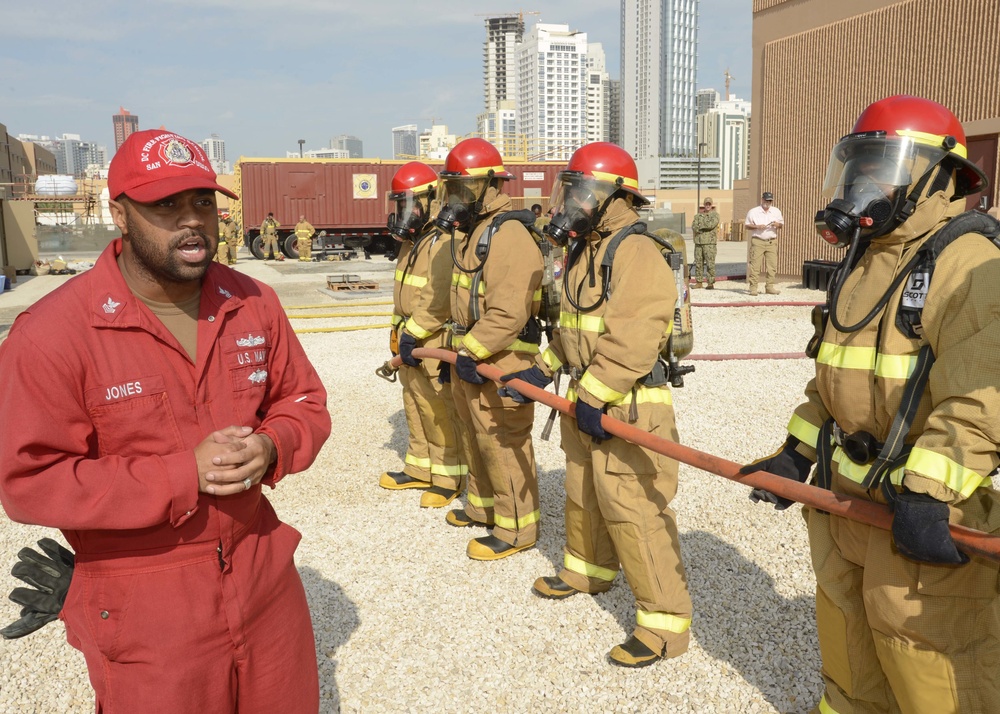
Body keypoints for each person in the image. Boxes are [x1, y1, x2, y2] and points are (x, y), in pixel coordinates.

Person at [0, 128, 332, 713]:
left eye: (202, 201)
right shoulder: (54, 334)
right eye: (166, 205)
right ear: (119, 213)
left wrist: (273, 445)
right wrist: (182, 475)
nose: (193, 220)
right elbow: (29, 482)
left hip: (263, 581)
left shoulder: (253, 302)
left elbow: (303, 402)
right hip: (145, 606)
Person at [742, 95, 1000, 713]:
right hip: (843, 503)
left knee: (926, 650)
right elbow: (833, 379)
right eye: (858, 165)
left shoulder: (971, 263)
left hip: (914, 511)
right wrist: (795, 453)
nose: (862, 182)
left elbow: (980, 398)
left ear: (937, 177)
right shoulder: (862, 262)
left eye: (882, 165)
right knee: (846, 637)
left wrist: (931, 495)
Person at [502, 142, 693, 668]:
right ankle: (589, 569)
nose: (572, 202)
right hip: (588, 399)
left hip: (628, 404)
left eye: (583, 192)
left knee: (634, 511)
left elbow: (634, 337)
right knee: (584, 492)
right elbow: (575, 327)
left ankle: (663, 626)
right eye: (572, 190)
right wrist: (541, 368)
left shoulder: (639, 252)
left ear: (614, 198)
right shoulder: (587, 251)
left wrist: (592, 393)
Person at [436, 137, 544, 560]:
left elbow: (509, 311)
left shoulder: (510, 234)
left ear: (488, 186)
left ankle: (517, 529)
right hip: (473, 355)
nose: (454, 198)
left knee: (502, 442)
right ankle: (483, 508)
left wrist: (472, 350)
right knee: (474, 434)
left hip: (503, 357)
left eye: (462, 189)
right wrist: (461, 349)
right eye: (452, 188)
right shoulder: (473, 231)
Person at [381, 161, 469, 508]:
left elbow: (437, 299)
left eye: (411, 204)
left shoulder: (444, 241)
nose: (406, 212)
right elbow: (405, 295)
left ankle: (449, 477)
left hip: (431, 341)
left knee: (439, 409)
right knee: (414, 403)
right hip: (409, 338)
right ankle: (420, 467)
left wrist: (413, 333)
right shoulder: (414, 242)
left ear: (433, 201)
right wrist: (396, 331)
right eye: (400, 205)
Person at [744, 191, 784, 295]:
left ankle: (769, 287)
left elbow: (781, 225)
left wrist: (777, 224)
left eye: (770, 200)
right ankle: (753, 288)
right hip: (758, 241)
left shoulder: (776, 211)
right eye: (766, 200)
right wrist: (757, 226)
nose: (768, 202)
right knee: (755, 266)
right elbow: (747, 225)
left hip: (771, 242)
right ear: (762, 200)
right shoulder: (753, 212)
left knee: (772, 266)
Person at [691, 197, 720, 289]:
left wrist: (700, 226)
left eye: (709, 204)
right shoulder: (698, 216)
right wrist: (701, 226)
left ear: (711, 205)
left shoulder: (715, 215)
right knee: (698, 263)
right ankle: (699, 282)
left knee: (710, 263)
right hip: (698, 243)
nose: (708, 206)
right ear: (704, 205)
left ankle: (710, 283)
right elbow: (694, 226)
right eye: (706, 204)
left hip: (709, 243)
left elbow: (711, 225)